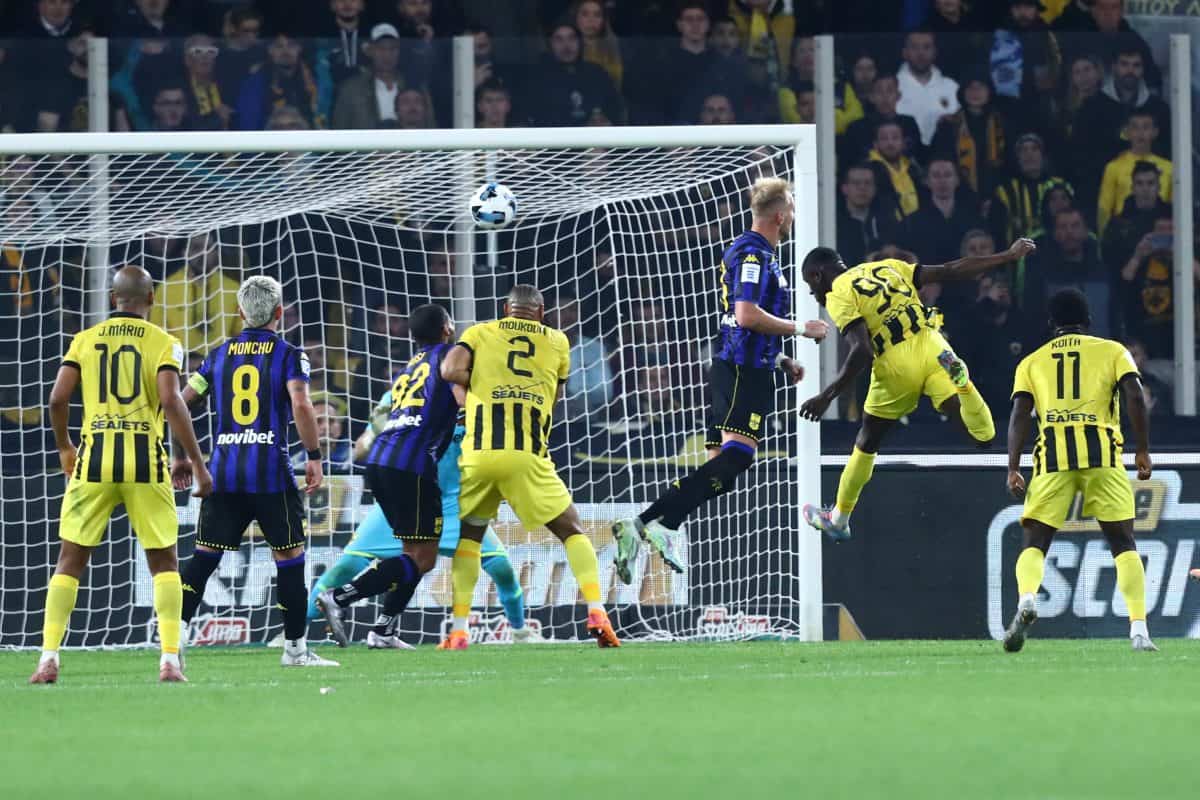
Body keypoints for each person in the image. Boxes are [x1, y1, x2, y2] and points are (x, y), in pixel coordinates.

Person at [610, 178, 825, 584]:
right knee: (737, 458)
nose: (795, 217)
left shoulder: (757, 253)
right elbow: (745, 315)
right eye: (793, 210)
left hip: (744, 364)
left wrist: (779, 357)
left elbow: (736, 320)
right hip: (742, 371)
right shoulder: (753, 254)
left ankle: (647, 526)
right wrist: (801, 328)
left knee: (720, 472)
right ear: (781, 216)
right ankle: (657, 524)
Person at [29, 265, 212, 684]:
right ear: (151, 298)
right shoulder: (165, 342)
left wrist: (65, 447)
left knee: (70, 561)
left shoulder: (84, 339)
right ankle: (169, 659)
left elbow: (57, 399)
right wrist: (194, 462)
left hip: (94, 460)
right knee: (164, 561)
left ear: (114, 299)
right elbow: (171, 401)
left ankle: (48, 657)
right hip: (145, 461)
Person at [797, 237, 1037, 540]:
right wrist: (1007, 255)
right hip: (933, 345)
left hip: (896, 363)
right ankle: (964, 386)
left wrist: (826, 396)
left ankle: (839, 518)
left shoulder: (838, 294)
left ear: (818, 275)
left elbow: (862, 350)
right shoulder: (887, 267)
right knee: (982, 438)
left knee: (868, 439)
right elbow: (950, 270)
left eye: (811, 285)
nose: (813, 293)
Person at [436, 285, 623, 649]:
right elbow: (555, 397)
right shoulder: (558, 341)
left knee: (469, 538)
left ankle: (459, 630)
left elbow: (449, 370)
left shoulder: (480, 332)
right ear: (541, 313)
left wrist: (486, 382)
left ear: (506, 308)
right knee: (572, 530)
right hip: (526, 453)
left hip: (479, 454)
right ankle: (597, 611)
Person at [174, 276, 337, 668]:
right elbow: (301, 404)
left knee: (204, 556)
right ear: (279, 312)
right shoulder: (289, 354)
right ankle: (295, 650)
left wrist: (182, 455)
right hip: (270, 474)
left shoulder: (218, 355)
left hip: (225, 473)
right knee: (289, 557)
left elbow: (180, 403)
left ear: (240, 312)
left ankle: (172, 642)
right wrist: (314, 455)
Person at [308, 384, 540, 647]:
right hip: (406, 495)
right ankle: (294, 632)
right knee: (348, 566)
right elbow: (362, 446)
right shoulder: (400, 394)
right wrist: (374, 436)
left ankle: (520, 631)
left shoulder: (476, 398)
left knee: (500, 568)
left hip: (454, 502)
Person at [1003, 288, 1156, 652]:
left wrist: (1013, 467)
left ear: (1051, 323)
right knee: (1123, 543)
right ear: (1088, 320)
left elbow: (1020, 414)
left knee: (1035, 543)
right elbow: (1135, 396)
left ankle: (1027, 598)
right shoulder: (1113, 351)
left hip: (1052, 458)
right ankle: (1139, 629)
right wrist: (1142, 449)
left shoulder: (1031, 362)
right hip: (1102, 455)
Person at [316, 305, 461, 645]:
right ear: (446, 328)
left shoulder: (409, 366)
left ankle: (384, 630)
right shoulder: (450, 357)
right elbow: (464, 400)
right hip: (412, 465)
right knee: (423, 558)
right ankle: (339, 597)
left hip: (381, 460)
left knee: (412, 553)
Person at [1096, 110, 1172, 236]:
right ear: (1127, 132)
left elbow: (1175, 208)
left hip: (1160, 233)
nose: (1140, 133)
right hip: (1125, 232)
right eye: (1135, 127)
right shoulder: (1114, 167)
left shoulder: (1169, 168)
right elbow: (1104, 210)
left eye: (1146, 127)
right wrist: (1104, 240)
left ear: (1155, 132)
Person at [895, 30, 960, 147]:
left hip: (943, 153)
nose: (921, 53)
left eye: (927, 47)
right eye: (914, 47)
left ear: (935, 52)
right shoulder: (892, 87)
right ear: (904, 53)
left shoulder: (951, 87)